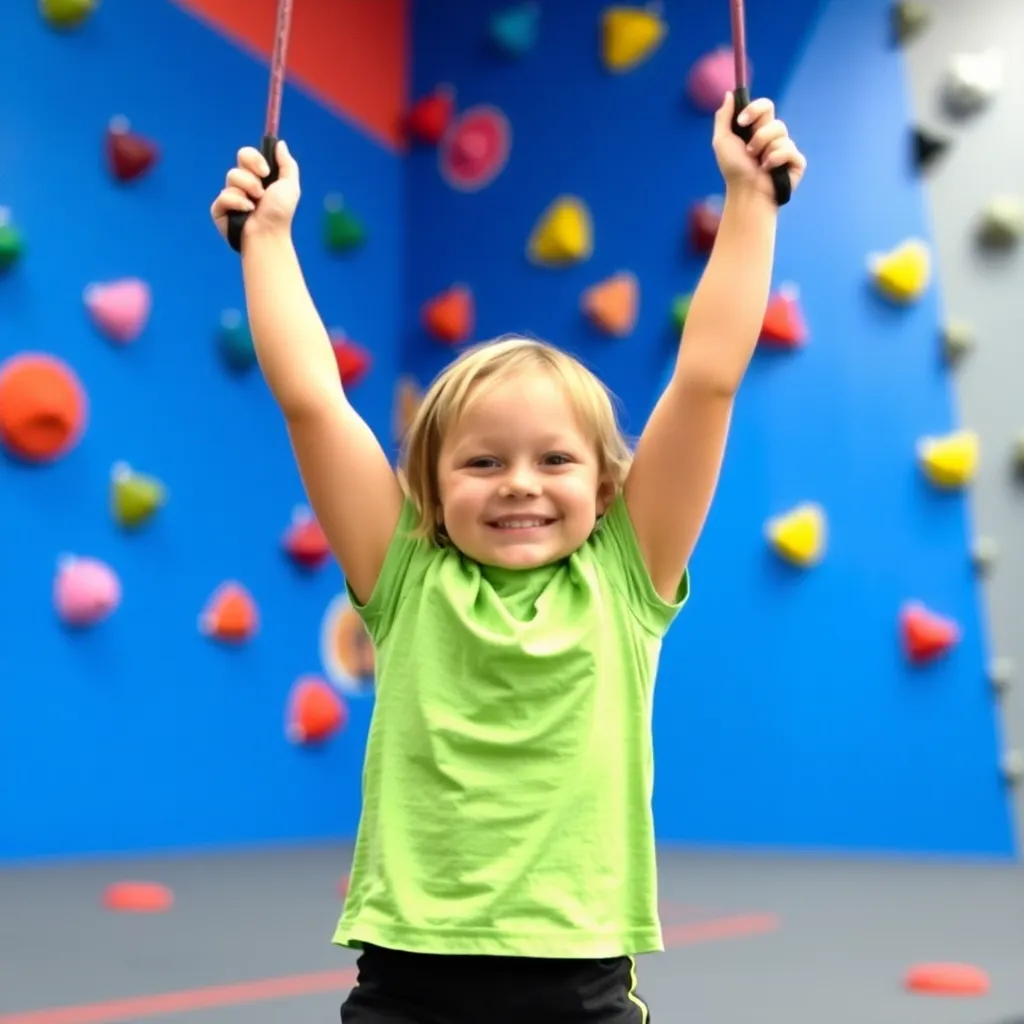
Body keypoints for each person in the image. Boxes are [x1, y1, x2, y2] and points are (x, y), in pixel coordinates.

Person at [210, 91, 806, 1024]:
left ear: (606, 487)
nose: (519, 483)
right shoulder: (405, 577)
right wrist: (270, 241)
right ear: (432, 488)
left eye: (555, 460)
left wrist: (748, 200)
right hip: (406, 975)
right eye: (482, 462)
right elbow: (315, 402)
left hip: (576, 981)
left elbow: (708, 375)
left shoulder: (624, 575)